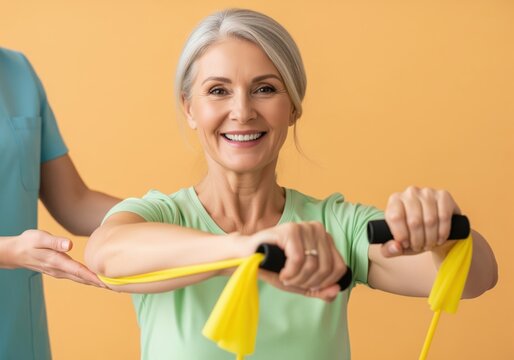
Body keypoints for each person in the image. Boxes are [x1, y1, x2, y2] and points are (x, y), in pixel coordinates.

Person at [85, 8, 498, 360]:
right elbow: (104, 253)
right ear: (189, 108)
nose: (242, 111)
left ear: (293, 107)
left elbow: (478, 278)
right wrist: (246, 251)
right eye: (218, 91)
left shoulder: (336, 227)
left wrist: (442, 233)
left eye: (265, 89)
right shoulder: (159, 215)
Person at [0, 47, 119, 359]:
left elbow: (74, 202)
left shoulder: (17, 71)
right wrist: (9, 252)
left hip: (20, 336)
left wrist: (173, 214)